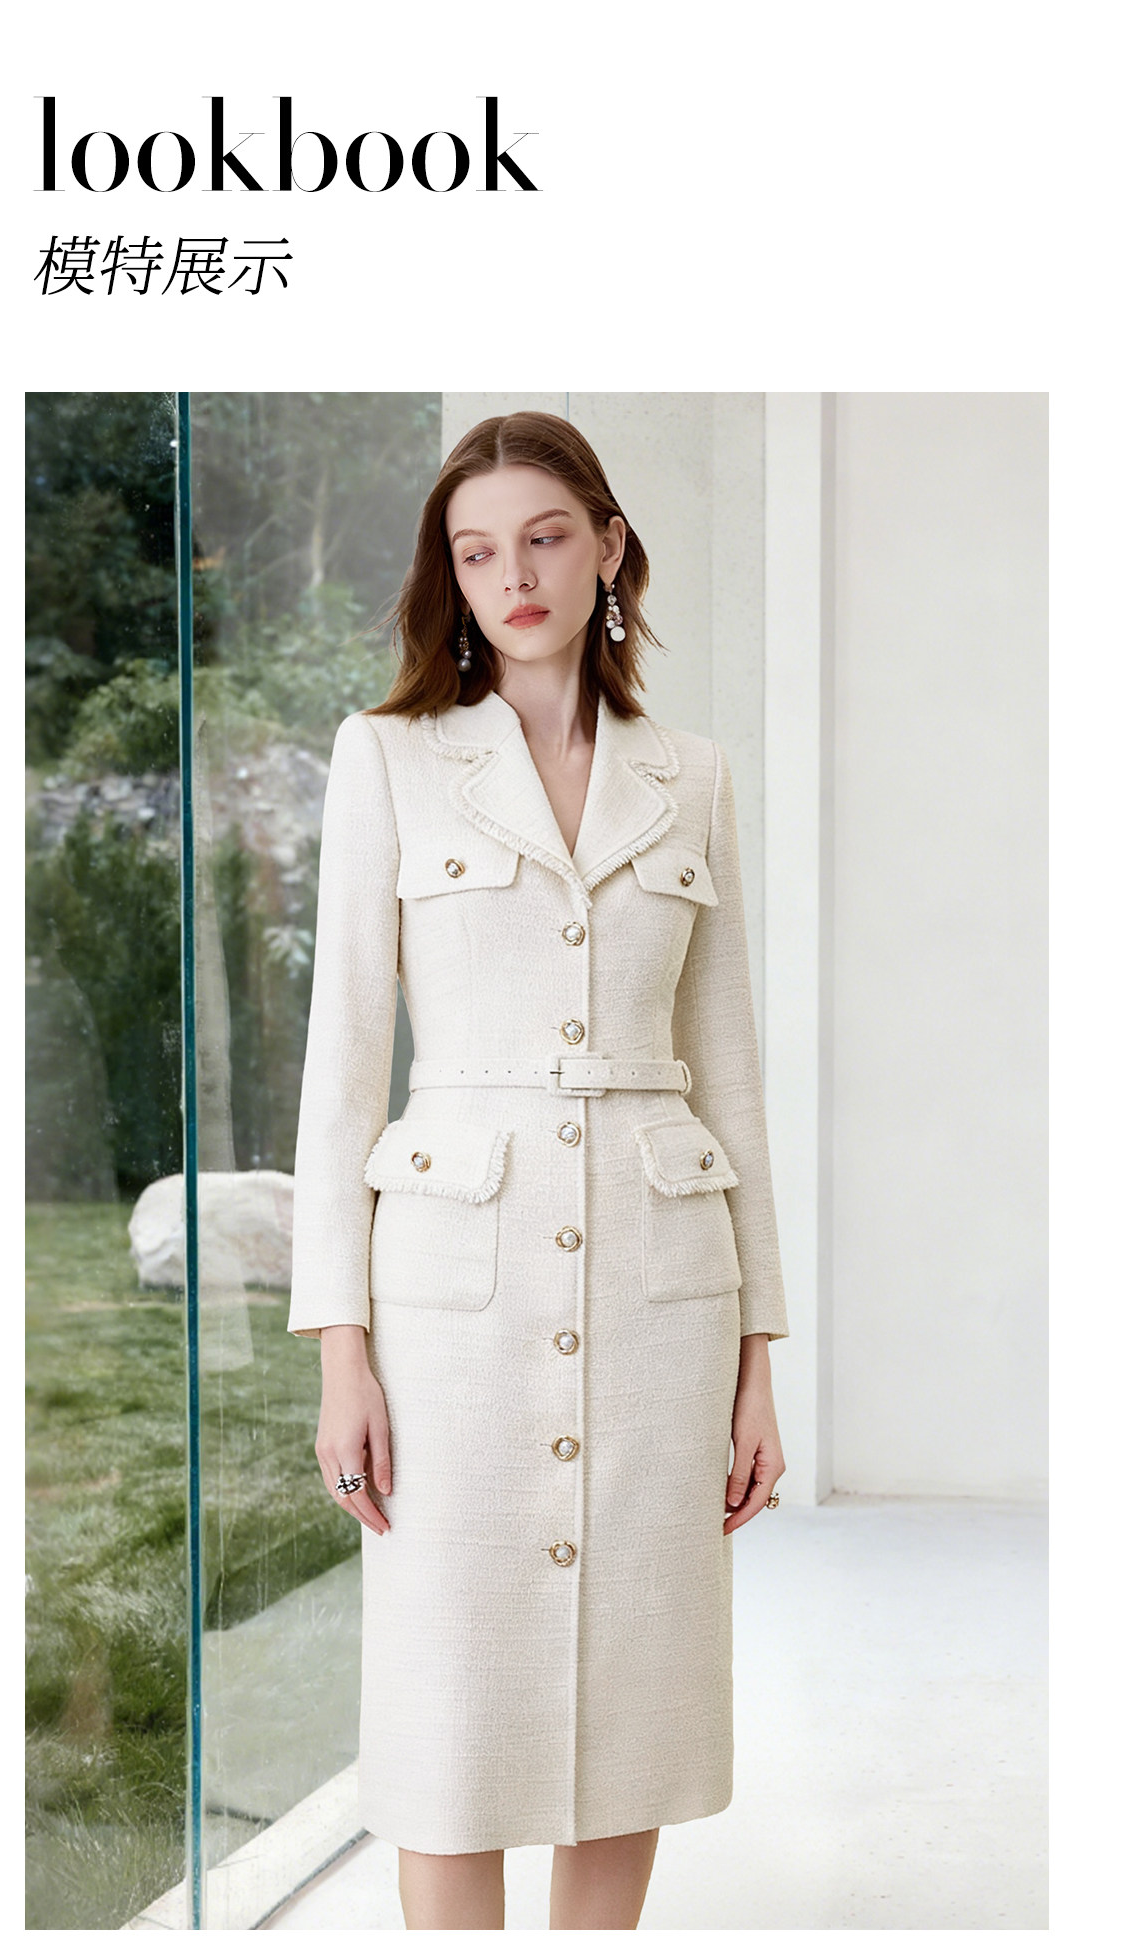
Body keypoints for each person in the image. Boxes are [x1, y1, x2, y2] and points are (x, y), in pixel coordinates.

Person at [287, 411, 789, 1931]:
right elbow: (341, 1068)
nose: (513, 576)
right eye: (477, 551)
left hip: (662, 1296)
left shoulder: (690, 777)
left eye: (545, 538)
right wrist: (341, 1354)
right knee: (449, 1727)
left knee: (633, 1712)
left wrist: (759, 1358)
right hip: (454, 1310)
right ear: (450, 574)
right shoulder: (389, 759)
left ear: (608, 548)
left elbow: (731, 1073)